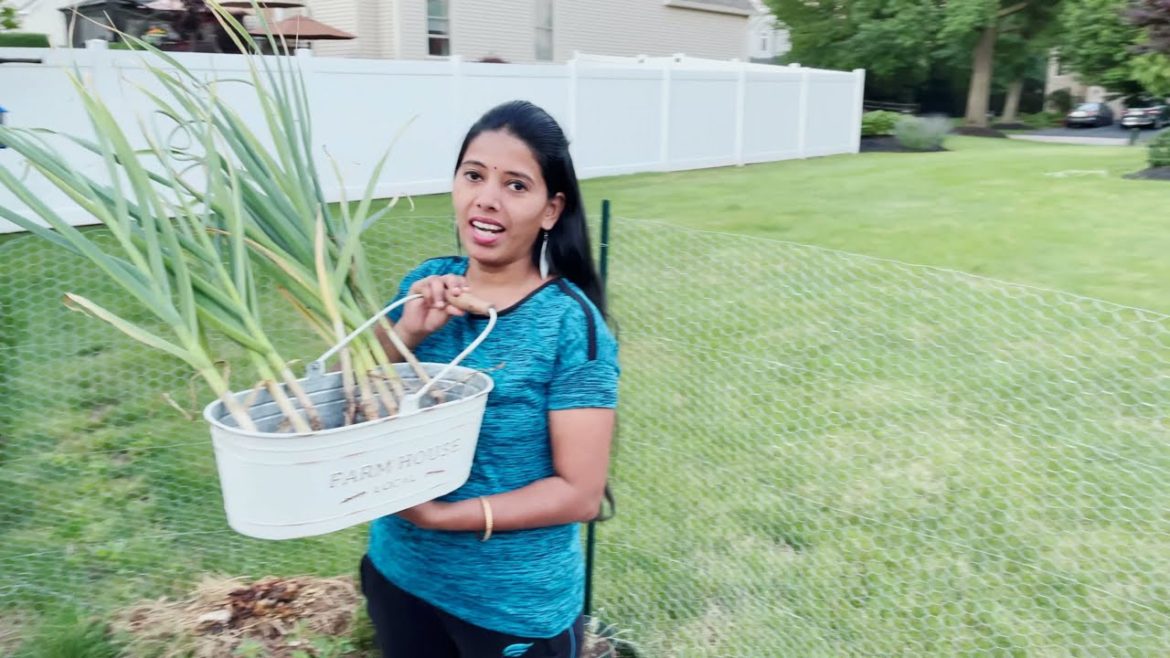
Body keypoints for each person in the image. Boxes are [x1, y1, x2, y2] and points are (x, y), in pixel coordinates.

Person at [361, 100, 620, 658]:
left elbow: (580, 494)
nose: (487, 198)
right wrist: (407, 331)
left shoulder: (569, 326)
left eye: (515, 185)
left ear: (551, 210)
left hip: (510, 608)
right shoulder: (426, 283)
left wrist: (442, 517)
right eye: (474, 175)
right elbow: (347, 396)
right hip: (399, 575)